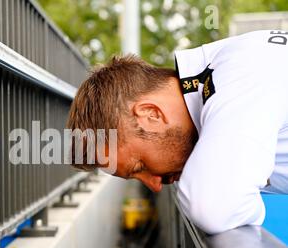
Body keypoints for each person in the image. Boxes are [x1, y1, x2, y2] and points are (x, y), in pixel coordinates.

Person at [66, 30, 288, 234]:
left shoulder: (240, 74)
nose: (155, 185)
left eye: (140, 166)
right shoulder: (225, 73)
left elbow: (212, 207)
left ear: (151, 114)